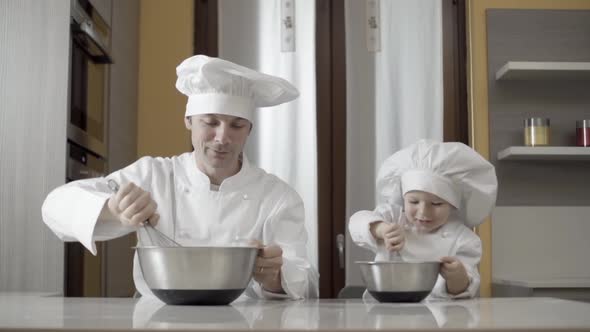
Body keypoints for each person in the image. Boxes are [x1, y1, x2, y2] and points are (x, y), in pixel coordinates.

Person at [42, 54, 318, 299]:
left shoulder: (277, 196)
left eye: (237, 125)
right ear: (188, 121)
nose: (222, 138)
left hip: (245, 320)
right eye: (210, 122)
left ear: (249, 129)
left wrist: (275, 278)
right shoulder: (153, 175)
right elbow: (54, 206)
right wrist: (112, 210)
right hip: (157, 318)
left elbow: (306, 283)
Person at [349, 139, 497, 299]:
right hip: (384, 312)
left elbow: (463, 290)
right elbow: (357, 222)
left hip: (439, 317)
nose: (423, 212)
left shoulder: (464, 239)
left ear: (453, 205)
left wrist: (456, 276)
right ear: (403, 197)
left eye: (436, 203)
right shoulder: (393, 217)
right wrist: (381, 229)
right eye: (413, 201)